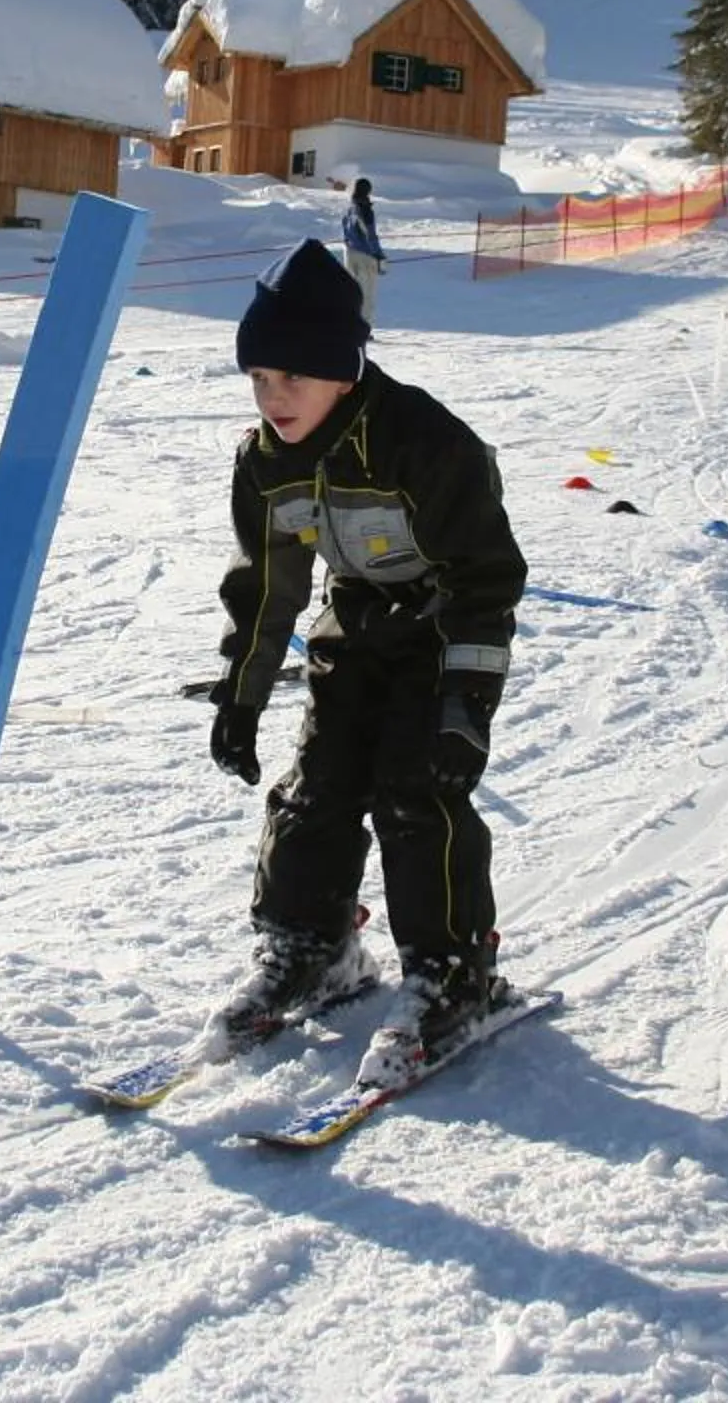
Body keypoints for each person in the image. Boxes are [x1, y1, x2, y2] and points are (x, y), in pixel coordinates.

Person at [202, 238, 527, 1076]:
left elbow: (485, 580)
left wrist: (463, 709)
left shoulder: (424, 442)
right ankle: (313, 947)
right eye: (260, 377)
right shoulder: (266, 462)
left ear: (343, 371)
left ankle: (456, 971)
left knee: (420, 793)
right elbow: (267, 583)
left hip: (442, 630)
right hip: (354, 627)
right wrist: (241, 696)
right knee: (318, 789)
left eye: (293, 377)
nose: (274, 397)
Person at [338, 176, 388, 318]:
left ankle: (350, 324)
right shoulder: (365, 210)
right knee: (366, 295)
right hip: (365, 256)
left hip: (349, 254)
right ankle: (364, 327)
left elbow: (345, 232)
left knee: (352, 292)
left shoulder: (349, 209)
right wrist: (378, 255)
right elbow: (370, 235)